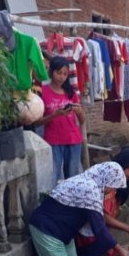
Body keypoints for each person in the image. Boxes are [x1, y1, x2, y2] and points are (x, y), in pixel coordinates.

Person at [30, 162, 129, 256]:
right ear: (105, 178)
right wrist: (120, 250)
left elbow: (97, 221)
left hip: (64, 232)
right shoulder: (89, 188)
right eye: (112, 186)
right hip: (47, 230)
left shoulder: (91, 183)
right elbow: (99, 227)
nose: (111, 191)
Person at [76, 147, 129, 256]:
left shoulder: (120, 185)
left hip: (100, 229)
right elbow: (103, 216)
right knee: (99, 254)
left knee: (104, 252)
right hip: (91, 231)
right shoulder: (107, 186)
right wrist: (127, 228)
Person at [37, 57, 85, 185]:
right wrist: (56, 114)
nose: (62, 77)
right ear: (51, 71)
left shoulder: (71, 92)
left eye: (65, 74)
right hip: (53, 141)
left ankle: (71, 204)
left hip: (73, 139)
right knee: (53, 179)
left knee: (73, 179)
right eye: (59, 73)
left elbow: (82, 120)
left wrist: (79, 112)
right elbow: (37, 122)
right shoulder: (43, 92)